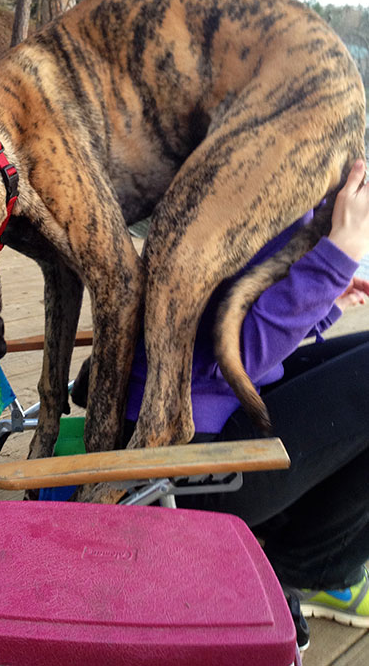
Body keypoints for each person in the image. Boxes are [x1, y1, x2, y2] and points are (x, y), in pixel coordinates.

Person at [122, 158, 369, 645]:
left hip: (210, 408)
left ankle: (315, 553)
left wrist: (327, 301)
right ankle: (300, 568)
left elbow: (235, 343)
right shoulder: (240, 195)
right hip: (188, 461)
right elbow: (226, 357)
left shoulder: (247, 173)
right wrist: (335, 259)